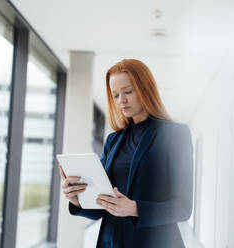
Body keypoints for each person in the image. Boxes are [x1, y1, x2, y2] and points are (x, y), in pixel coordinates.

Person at [58, 59, 193, 248]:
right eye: (115, 95)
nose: (121, 100)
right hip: (111, 241)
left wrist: (135, 209)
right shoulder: (113, 140)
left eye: (128, 92)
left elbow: (183, 207)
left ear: (146, 89)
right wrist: (77, 199)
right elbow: (102, 206)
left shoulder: (175, 134)